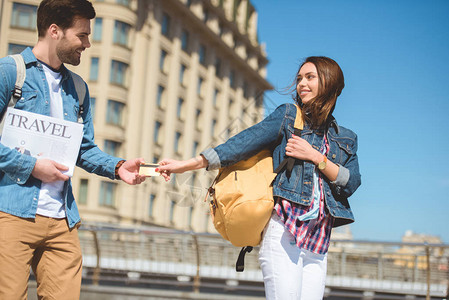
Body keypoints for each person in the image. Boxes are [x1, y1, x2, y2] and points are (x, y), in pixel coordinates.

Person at [158, 56, 361, 299]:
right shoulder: (288, 116)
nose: (302, 84)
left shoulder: (346, 138)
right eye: (299, 79)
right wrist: (185, 165)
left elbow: (351, 182)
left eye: (310, 77)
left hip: (318, 241)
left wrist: (315, 156)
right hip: (285, 233)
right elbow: (239, 145)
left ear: (330, 83)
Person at [0, 0, 146, 299]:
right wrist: (31, 167)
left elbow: (83, 149)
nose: (88, 43)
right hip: (10, 213)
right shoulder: (9, 72)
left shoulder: (78, 88)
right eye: (82, 35)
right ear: (55, 31)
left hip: (62, 220)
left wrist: (118, 167)